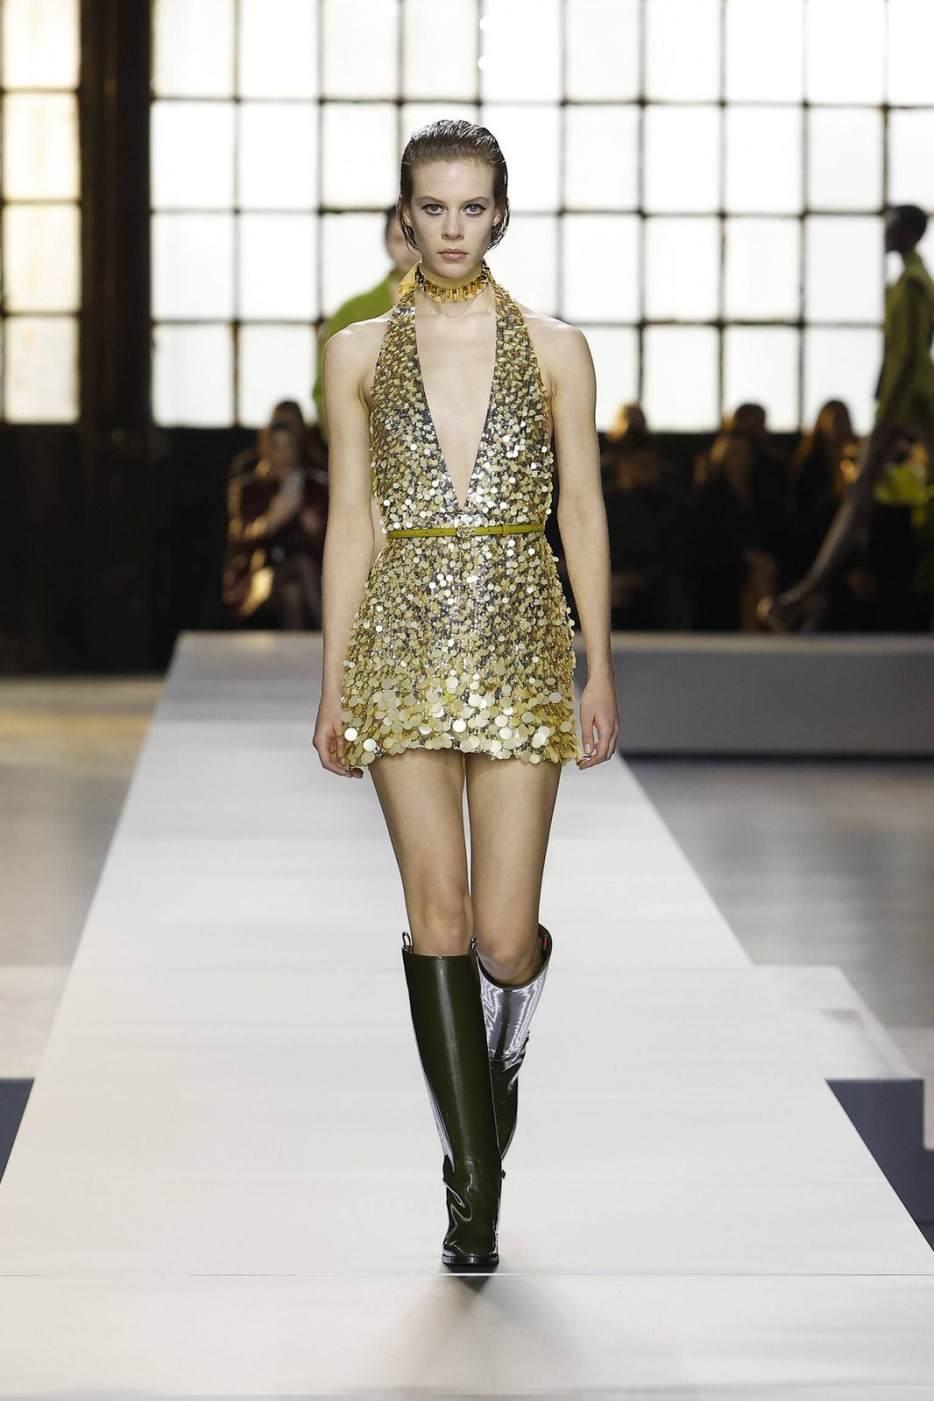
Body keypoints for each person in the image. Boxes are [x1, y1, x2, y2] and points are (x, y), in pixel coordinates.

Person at [313, 119, 617, 1272]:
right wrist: (333, 683)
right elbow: (351, 521)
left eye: (472, 207)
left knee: (500, 938)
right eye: (433, 207)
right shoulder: (354, 353)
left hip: (522, 643)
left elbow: (580, 509)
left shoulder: (556, 348)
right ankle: (472, 1194)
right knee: (436, 919)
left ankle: (507, 1037)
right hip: (398, 647)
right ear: (405, 215)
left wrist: (600, 666)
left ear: (502, 213)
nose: (452, 228)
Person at [762, 205, 934, 629]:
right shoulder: (910, 280)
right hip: (906, 402)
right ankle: (801, 596)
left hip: (908, 402)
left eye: (893, 227)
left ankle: (800, 597)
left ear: (909, 232)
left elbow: (910, 355)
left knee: (859, 498)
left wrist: (888, 410)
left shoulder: (914, 283)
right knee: (858, 497)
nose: (886, 234)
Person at [311, 206, 420, 439]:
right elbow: (325, 391)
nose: (408, 249)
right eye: (398, 239)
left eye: (415, 238)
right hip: (365, 445)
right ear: (386, 242)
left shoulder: (460, 308)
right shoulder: (352, 312)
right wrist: (348, 443)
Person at [222, 419, 328, 628]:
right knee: (298, 572)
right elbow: (240, 540)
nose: (282, 454)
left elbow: (330, 542)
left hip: (306, 575)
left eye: (288, 446)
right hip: (261, 573)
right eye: (276, 446)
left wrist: (314, 529)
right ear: (264, 448)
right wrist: (272, 519)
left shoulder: (314, 486)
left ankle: (316, 637)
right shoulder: (249, 489)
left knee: (293, 592)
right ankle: (328, 631)